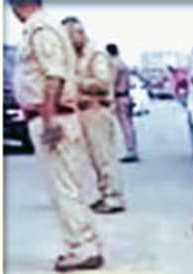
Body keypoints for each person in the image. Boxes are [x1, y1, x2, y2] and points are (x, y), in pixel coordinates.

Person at [8, 0, 104, 272]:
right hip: (51, 115)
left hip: (54, 117)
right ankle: (85, 243)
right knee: (66, 185)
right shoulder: (43, 27)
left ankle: (82, 247)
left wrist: (49, 118)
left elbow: (54, 76)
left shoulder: (41, 29)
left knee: (63, 187)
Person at [62, 17, 125, 214]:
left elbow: (103, 82)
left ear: (79, 34)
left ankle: (113, 197)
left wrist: (76, 82)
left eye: (69, 36)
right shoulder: (76, 56)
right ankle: (102, 194)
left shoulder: (96, 55)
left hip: (95, 110)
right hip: (84, 110)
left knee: (103, 157)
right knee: (90, 159)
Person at [107, 43, 139, 162]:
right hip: (126, 96)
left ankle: (130, 151)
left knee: (125, 125)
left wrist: (110, 100)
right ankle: (133, 149)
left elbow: (112, 82)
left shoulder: (114, 64)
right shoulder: (123, 64)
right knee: (129, 125)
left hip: (119, 97)